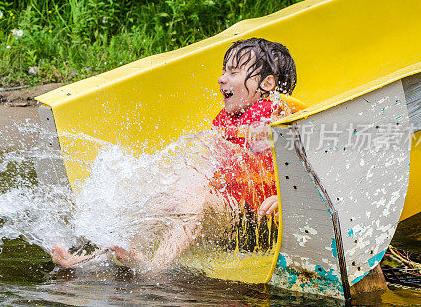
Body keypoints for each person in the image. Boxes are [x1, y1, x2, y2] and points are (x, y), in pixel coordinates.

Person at [51, 37, 298, 270]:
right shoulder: (229, 116)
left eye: (234, 73)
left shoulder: (277, 114)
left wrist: (285, 197)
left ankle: (154, 268)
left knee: (193, 199)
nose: (222, 79)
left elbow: (308, 163)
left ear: (267, 84)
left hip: (255, 220)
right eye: (224, 71)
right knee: (163, 195)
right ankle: (93, 258)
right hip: (226, 207)